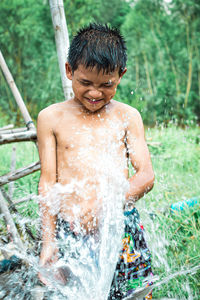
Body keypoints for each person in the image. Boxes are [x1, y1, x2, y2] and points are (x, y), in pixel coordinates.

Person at [37, 23, 154, 299]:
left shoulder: (127, 116)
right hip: (71, 231)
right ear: (69, 71)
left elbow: (146, 175)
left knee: (133, 293)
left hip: (119, 226)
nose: (94, 93)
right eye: (85, 83)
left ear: (120, 75)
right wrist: (48, 241)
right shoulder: (51, 118)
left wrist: (106, 208)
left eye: (106, 85)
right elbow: (47, 184)